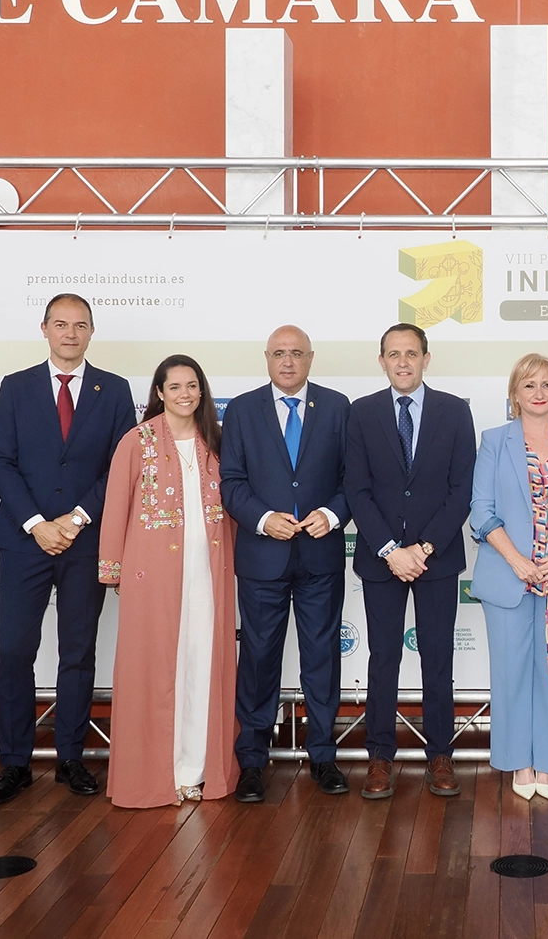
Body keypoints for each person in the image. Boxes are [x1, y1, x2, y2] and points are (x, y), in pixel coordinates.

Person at [0, 293, 136, 804]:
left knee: (77, 652)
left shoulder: (113, 390)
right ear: (44, 329)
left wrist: (73, 520)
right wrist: (35, 524)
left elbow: (118, 468)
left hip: (83, 540)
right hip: (26, 541)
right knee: (14, 651)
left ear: (91, 331)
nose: (70, 333)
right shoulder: (15, 386)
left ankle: (71, 757)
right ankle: (14, 763)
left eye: (81, 325)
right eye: (61, 324)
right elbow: (1, 462)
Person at [98, 355, 240, 808]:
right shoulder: (136, 442)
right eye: (174, 386)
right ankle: (158, 776)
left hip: (209, 575)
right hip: (151, 577)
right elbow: (116, 506)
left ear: (202, 391)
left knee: (204, 666)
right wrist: (112, 567)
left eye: (192, 385)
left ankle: (197, 771)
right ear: (159, 392)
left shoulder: (216, 441)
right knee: (156, 670)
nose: (184, 394)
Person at [345, 323, 477, 800]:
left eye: (411, 353)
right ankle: (380, 756)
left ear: (426, 358)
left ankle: (440, 754)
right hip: (381, 559)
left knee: (438, 659)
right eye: (393, 354)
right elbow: (356, 490)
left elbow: (462, 489)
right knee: (384, 659)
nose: (403, 362)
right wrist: (389, 550)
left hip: (435, 559)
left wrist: (422, 549)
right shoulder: (361, 413)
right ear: (381, 360)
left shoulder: (455, 412)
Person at [221, 325, 351, 802]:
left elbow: (351, 479)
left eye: (297, 353)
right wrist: (261, 519)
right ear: (266, 358)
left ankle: (323, 756)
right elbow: (231, 482)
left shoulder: (338, 407)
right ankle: (252, 761)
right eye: (279, 353)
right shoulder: (241, 409)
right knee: (257, 659)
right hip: (262, 556)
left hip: (320, 554)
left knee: (322, 658)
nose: (288, 362)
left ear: (311, 358)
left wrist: (332, 515)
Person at [470, 354, 548, 800]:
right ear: (514, 394)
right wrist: (517, 561)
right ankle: (518, 762)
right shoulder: (493, 440)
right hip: (509, 576)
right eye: (529, 386)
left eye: (547, 384)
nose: (539, 393)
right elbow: (481, 511)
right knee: (510, 673)